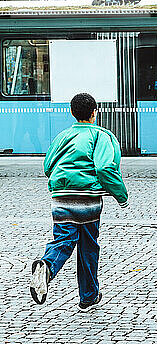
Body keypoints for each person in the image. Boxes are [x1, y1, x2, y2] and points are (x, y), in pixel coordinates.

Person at [30, 93, 128, 311]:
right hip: (88, 201)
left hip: (61, 198)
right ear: (94, 113)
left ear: (72, 114)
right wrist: (121, 195)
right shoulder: (101, 136)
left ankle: (46, 266)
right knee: (89, 246)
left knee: (63, 239)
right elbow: (105, 167)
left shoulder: (63, 136)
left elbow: (48, 166)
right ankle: (88, 296)